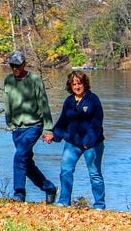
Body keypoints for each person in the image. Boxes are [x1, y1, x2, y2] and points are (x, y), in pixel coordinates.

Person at [3, 50, 57, 203]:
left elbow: (43, 104)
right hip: (17, 129)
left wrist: (48, 129)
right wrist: (10, 124)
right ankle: (49, 188)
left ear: (24, 64)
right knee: (26, 162)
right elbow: (7, 103)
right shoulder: (8, 80)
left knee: (19, 157)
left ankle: (19, 194)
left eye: (18, 65)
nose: (15, 68)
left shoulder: (35, 80)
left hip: (34, 126)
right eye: (12, 65)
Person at [49, 70, 105, 209]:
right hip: (72, 143)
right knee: (65, 171)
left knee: (95, 174)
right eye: (74, 84)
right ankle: (63, 202)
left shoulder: (93, 100)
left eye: (79, 83)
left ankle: (99, 205)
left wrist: (88, 142)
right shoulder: (69, 101)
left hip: (92, 144)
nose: (77, 86)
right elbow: (63, 121)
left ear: (84, 84)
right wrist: (54, 135)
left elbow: (97, 123)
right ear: (70, 86)